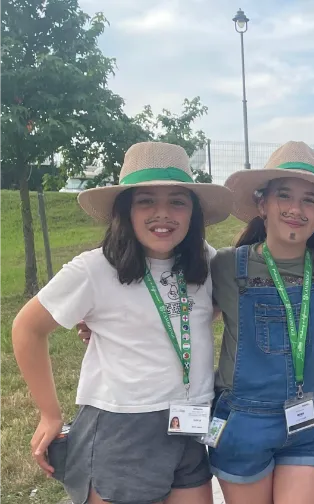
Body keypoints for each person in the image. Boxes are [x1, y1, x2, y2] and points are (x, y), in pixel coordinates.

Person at [12, 142, 231, 504]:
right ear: (125, 210)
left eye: (178, 201)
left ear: (194, 212)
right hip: (124, 426)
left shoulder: (205, 261)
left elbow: (210, 310)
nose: (163, 214)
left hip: (191, 420)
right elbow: (26, 328)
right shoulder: (94, 268)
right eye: (146, 200)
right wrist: (50, 415)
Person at [206, 141, 314, 504]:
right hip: (242, 421)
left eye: (309, 199)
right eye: (284, 196)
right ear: (263, 204)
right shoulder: (225, 266)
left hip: (306, 421)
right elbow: (177, 307)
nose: (296, 208)